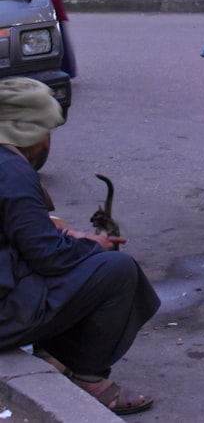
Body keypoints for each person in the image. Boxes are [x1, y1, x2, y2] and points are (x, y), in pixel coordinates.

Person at [0, 77, 160, 415]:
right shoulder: (12, 172)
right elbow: (48, 257)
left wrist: (72, 238)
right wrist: (95, 248)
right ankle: (88, 374)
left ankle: (54, 354)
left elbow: (23, 235)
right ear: (28, 132)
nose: (47, 143)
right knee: (118, 271)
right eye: (46, 132)